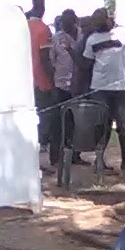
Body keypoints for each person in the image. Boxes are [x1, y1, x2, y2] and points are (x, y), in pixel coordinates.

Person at [81, 8, 125, 170]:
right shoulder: (92, 39)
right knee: (102, 124)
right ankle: (100, 160)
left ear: (109, 20)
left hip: (120, 86)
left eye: (100, 22)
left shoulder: (123, 35)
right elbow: (87, 63)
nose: (98, 26)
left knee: (124, 126)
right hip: (99, 87)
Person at [47, 9, 81, 168]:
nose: (65, 25)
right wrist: (52, 83)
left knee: (76, 122)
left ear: (74, 20)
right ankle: (55, 156)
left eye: (68, 21)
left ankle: (75, 155)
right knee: (58, 122)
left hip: (79, 86)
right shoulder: (56, 39)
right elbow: (50, 62)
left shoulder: (83, 36)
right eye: (63, 22)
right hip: (60, 85)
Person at [26, 0, 54, 150]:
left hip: (25, 78)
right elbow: (45, 57)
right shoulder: (43, 29)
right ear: (42, 9)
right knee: (44, 115)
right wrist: (52, 79)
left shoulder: (24, 26)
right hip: (41, 79)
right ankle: (40, 146)